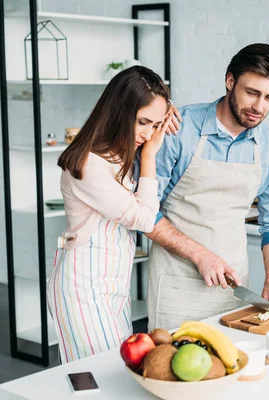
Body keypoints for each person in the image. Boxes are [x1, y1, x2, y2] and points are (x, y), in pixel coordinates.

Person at [140, 43, 269, 330]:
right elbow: (143, 211)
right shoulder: (178, 129)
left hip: (234, 289)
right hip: (177, 287)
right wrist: (200, 255)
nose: (259, 107)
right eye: (252, 93)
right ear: (230, 81)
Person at [47, 66, 179, 363]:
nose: (148, 134)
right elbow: (145, 220)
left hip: (113, 286)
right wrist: (149, 157)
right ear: (119, 111)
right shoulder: (89, 165)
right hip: (83, 288)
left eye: (155, 125)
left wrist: (163, 113)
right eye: (143, 122)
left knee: (115, 375)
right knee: (98, 380)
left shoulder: (119, 153)